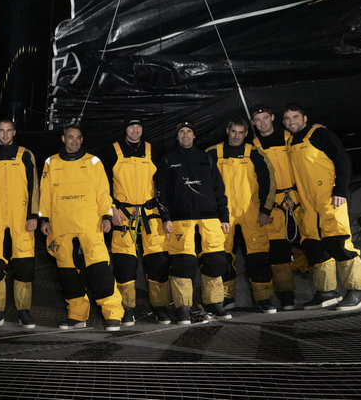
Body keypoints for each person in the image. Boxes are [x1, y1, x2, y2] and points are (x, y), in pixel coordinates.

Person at [38, 124, 124, 331]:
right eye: (70, 137)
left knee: (98, 269)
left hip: (89, 224)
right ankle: (77, 314)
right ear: (63, 139)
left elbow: (103, 191)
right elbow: (45, 194)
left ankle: (112, 312)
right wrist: (44, 220)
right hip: (60, 225)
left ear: (82, 140)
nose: (74, 141)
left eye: (77, 138)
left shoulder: (93, 162)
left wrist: (106, 216)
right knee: (67, 273)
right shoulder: (51, 162)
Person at [283, 103, 361, 310]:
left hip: (330, 198)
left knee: (337, 241)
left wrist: (340, 190)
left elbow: (342, 161)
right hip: (307, 203)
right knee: (313, 246)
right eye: (287, 118)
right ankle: (326, 292)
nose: (291, 121)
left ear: (304, 118)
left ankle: (357, 291)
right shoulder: (290, 141)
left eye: (295, 117)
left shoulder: (320, 134)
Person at [156, 121, 231, 324]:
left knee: (215, 261)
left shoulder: (205, 157)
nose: (185, 135)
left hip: (210, 219)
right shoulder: (168, 159)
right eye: (181, 132)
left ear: (194, 136)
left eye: (189, 132)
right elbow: (160, 191)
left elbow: (219, 189)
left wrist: (224, 216)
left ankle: (214, 303)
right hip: (181, 220)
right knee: (183, 264)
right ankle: (183, 307)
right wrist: (166, 218)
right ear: (177, 136)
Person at [100, 111, 170, 325]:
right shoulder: (112, 151)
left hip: (151, 216)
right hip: (123, 216)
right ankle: (127, 307)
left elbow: (163, 184)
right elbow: (100, 185)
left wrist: (165, 212)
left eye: (138, 126)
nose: (135, 130)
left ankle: (160, 307)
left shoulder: (153, 150)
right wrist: (112, 209)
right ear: (125, 129)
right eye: (131, 126)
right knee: (124, 264)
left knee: (158, 262)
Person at [206, 117, 277, 313]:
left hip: (252, 212)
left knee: (258, 256)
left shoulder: (255, 153)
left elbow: (268, 183)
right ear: (227, 130)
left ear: (246, 134)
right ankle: (226, 298)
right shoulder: (212, 153)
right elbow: (202, 183)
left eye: (241, 132)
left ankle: (264, 299)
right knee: (223, 257)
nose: (236, 136)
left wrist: (265, 210)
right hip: (222, 214)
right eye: (233, 131)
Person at [0, 119, 39, 329]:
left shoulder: (25, 155)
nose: (5, 135)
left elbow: (34, 186)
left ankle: (24, 311)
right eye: (1, 131)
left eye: (9, 131)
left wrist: (33, 215)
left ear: (14, 132)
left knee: (23, 265)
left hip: (21, 218)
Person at [251, 105, 307, 310]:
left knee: (311, 243)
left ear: (273, 117)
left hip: (299, 198)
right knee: (277, 253)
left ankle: (324, 290)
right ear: (253, 124)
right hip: (273, 204)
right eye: (257, 120)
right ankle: (287, 295)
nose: (262, 123)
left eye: (265, 118)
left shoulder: (291, 136)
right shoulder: (253, 146)